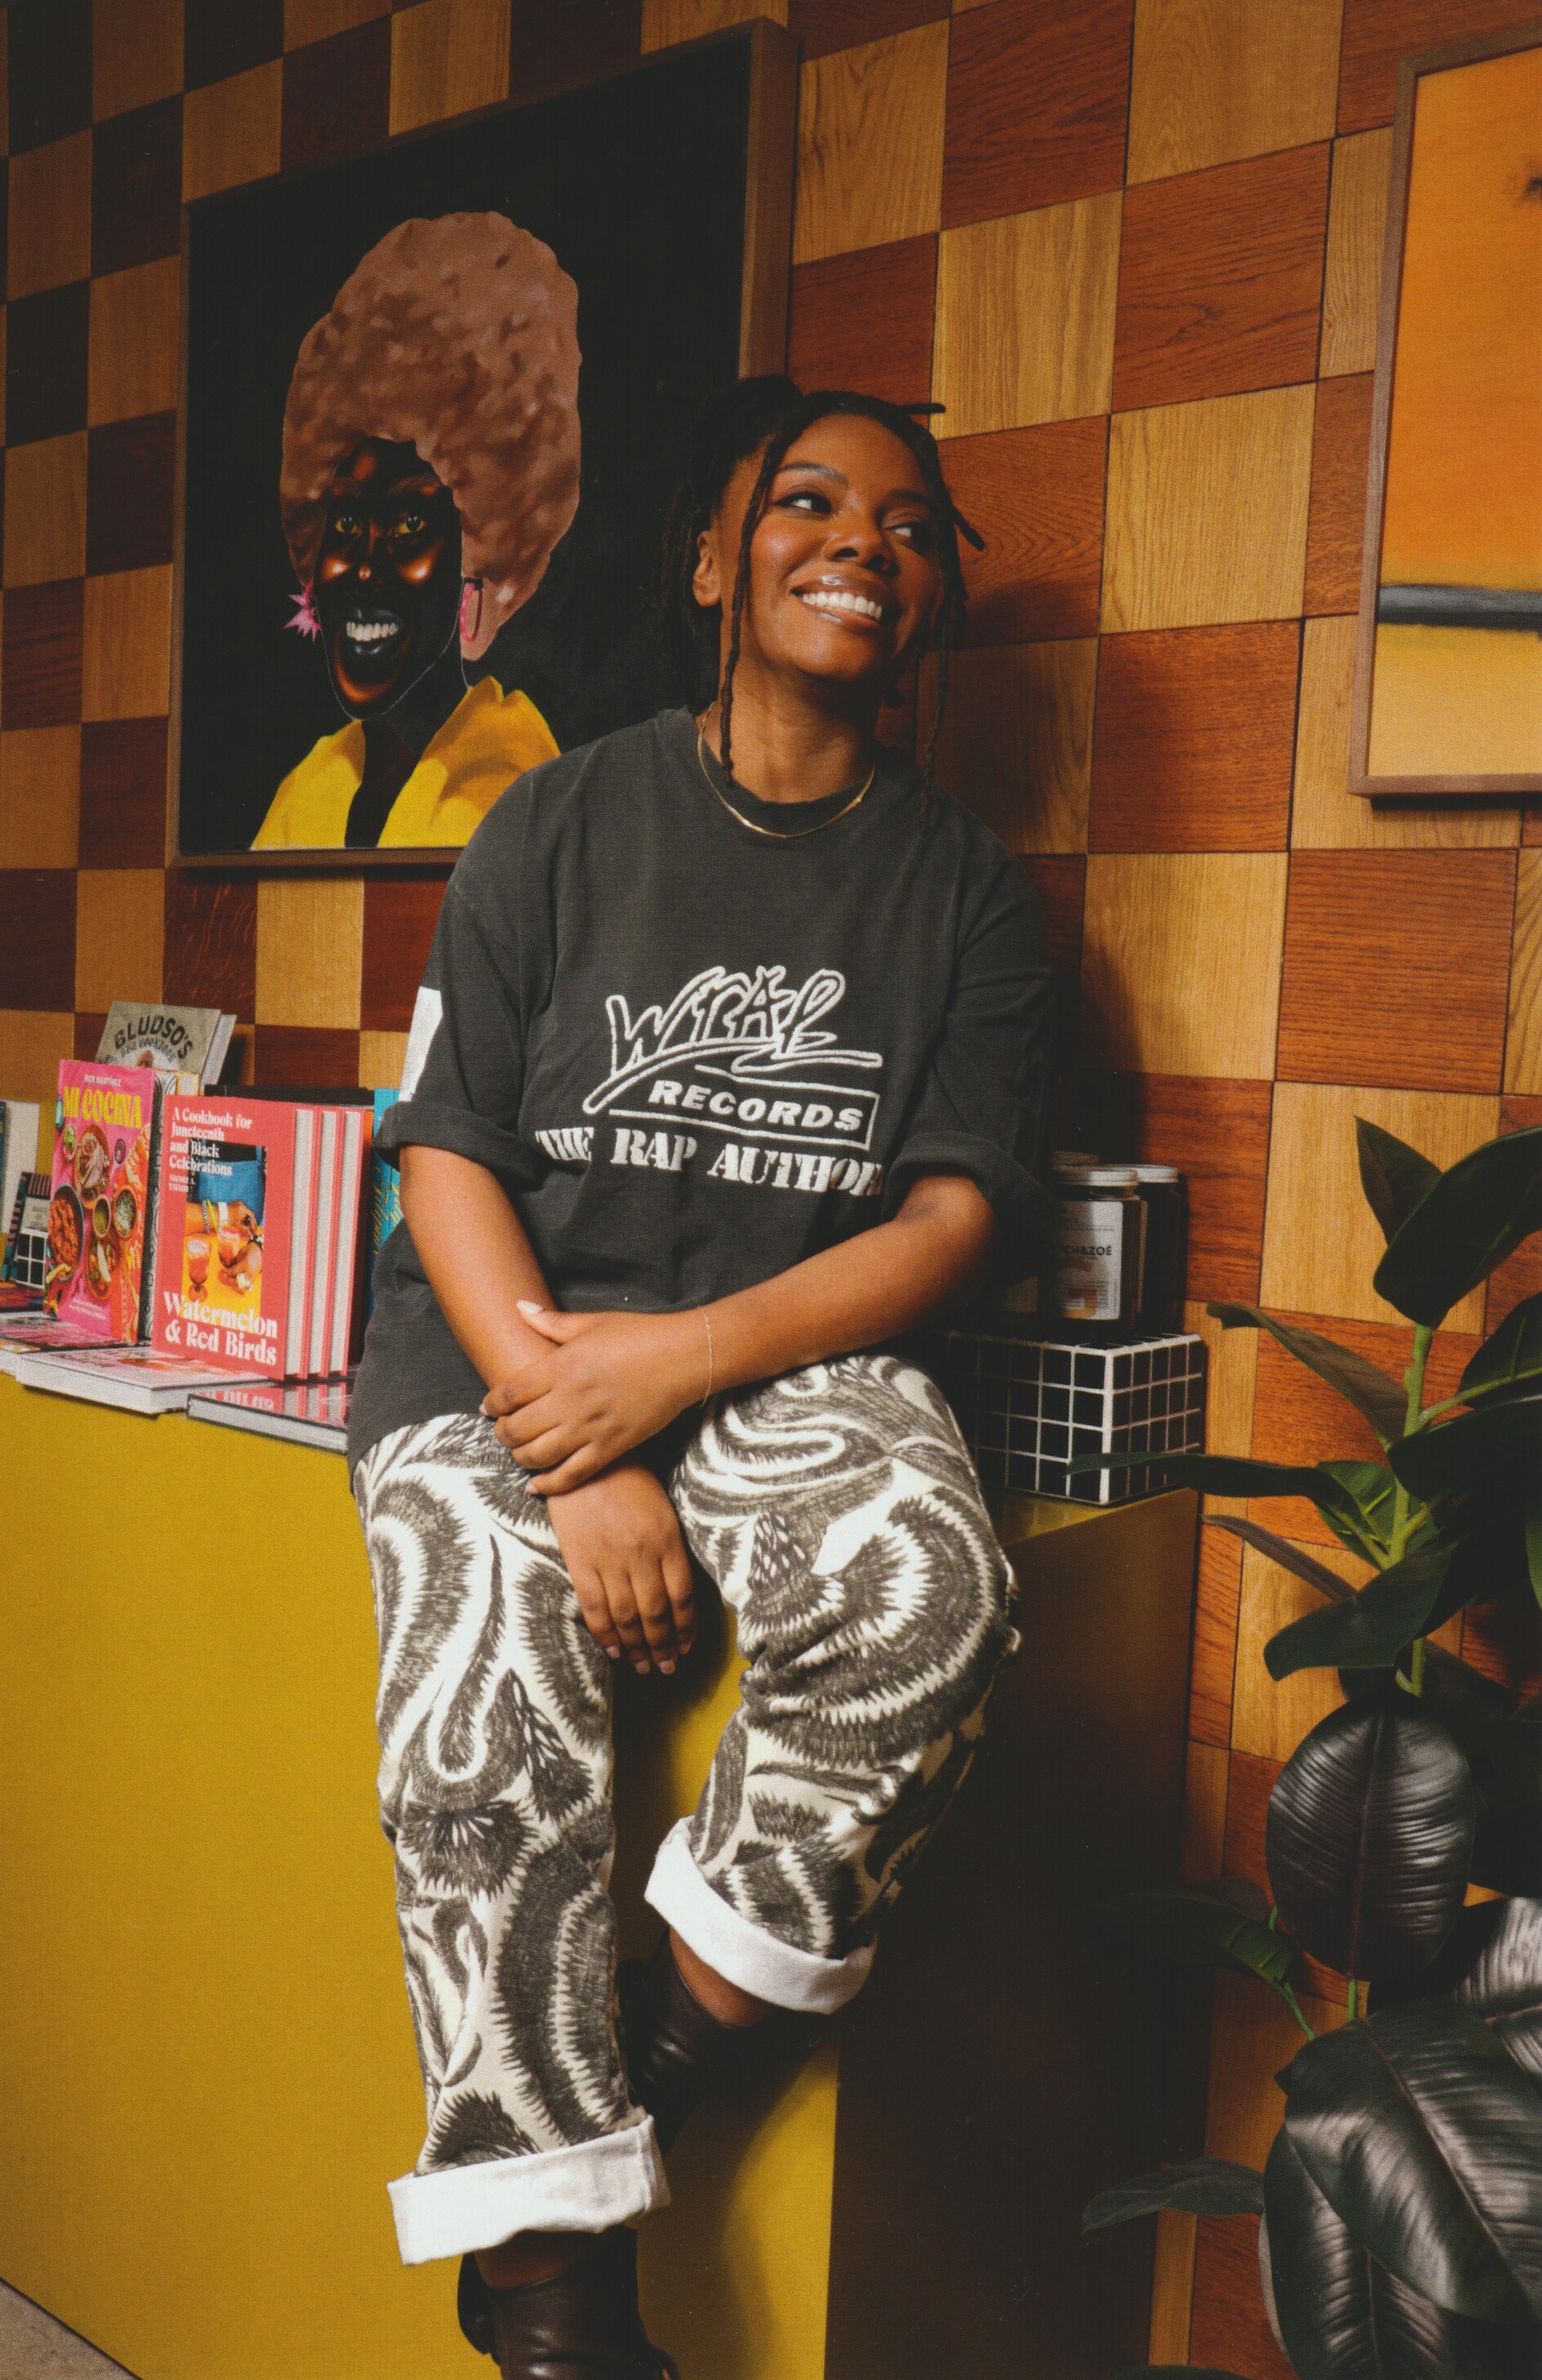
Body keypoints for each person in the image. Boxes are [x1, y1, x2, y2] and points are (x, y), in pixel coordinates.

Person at [349, 377, 1052, 2378]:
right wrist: (570, 1444)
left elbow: (943, 1224)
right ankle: (555, 2293)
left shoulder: (963, 888)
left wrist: (682, 1370)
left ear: (929, 604)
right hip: (507, 1339)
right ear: (706, 560)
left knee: (933, 1589)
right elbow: (452, 1149)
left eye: (911, 525)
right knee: (479, 1688)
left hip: (770, 1349)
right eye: (808, 501)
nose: (863, 541)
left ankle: (640, 2085)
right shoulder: (551, 818)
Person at [255, 213, 581, 851]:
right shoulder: (309, 791)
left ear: (485, 550)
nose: (364, 564)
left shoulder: (514, 806)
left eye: (408, 523)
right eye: (346, 521)